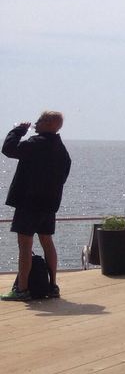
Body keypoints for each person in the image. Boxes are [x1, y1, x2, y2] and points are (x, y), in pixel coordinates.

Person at [2, 111, 71, 301]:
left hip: (29, 203)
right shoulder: (61, 149)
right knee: (47, 242)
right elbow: (63, 176)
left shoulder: (35, 143)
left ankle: (22, 289)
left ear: (49, 123)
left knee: (25, 245)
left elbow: (8, 149)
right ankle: (53, 285)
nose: (36, 123)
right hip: (48, 204)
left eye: (40, 120)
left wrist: (18, 130)